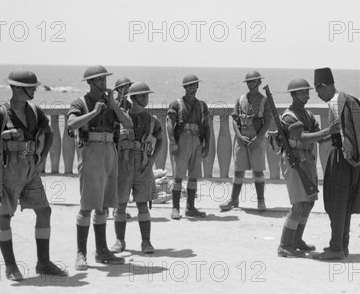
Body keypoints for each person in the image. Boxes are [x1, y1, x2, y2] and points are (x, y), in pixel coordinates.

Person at [0, 69, 66, 281]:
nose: (35, 90)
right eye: (31, 87)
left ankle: (43, 263)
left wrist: (42, 158)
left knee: (44, 211)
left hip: (30, 169)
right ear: (17, 88)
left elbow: (49, 134)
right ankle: (10, 266)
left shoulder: (35, 112)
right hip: (8, 170)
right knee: (4, 216)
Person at [68, 66, 134, 271]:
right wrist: (94, 112)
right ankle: (81, 253)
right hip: (92, 151)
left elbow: (128, 123)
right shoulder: (80, 102)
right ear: (90, 82)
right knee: (87, 204)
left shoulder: (110, 104)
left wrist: (113, 105)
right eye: (100, 79)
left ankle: (101, 250)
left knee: (104, 205)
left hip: (110, 151)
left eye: (105, 79)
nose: (104, 83)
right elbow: (71, 124)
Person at [313, 67, 360, 261]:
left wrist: (343, 152)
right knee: (346, 203)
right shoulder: (350, 99)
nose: (317, 94)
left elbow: (339, 135)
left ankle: (336, 248)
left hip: (341, 157)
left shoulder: (334, 103)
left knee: (336, 203)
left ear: (323, 86)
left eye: (317, 90)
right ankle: (343, 245)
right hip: (354, 161)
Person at [277, 78, 335, 258]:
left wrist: (335, 135)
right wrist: (328, 131)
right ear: (293, 95)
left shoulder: (308, 115)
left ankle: (296, 240)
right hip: (294, 162)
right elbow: (302, 137)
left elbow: (317, 136)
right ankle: (285, 245)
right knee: (298, 204)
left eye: (307, 92)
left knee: (308, 202)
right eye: (302, 92)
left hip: (307, 161)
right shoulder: (289, 116)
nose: (307, 95)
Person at [110, 82, 163, 254]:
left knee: (142, 204)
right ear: (133, 98)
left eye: (147, 95)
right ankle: (119, 240)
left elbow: (161, 139)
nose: (146, 98)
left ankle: (146, 242)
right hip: (123, 165)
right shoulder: (121, 118)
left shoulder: (152, 120)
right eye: (142, 96)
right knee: (120, 205)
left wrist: (153, 158)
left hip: (143, 166)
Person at [220, 71, 273, 212]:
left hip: (257, 137)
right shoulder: (241, 98)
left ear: (259, 83)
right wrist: (239, 136)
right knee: (238, 170)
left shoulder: (264, 101)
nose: (251, 84)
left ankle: (261, 201)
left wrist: (258, 138)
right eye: (249, 82)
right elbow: (235, 120)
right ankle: (233, 199)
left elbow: (268, 121)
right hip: (242, 137)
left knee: (258, 171)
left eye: (253, 81)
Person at [166, 74, 210, 220]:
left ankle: (190, 208)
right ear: (185, 87)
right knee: (178, 176)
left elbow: (206, 126)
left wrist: (207, 144)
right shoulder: (176, 104)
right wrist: (172, 142)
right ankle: (175, 208)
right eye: (189, 85)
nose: (192, 87)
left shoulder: (202, 105)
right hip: (182, 139)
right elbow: (170, 124)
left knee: (193, 176)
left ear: (198, 86)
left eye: (194, 85)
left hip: (196, 139)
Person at [113, 77, 133, 220]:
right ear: (118, 89)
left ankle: (118, 209)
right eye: (123, 87)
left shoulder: (129, 105)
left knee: (122, 177)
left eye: (128, 87)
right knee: (110, 177)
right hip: (112, 142)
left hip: (124, 144)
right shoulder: (111, 103)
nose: (125, 89)